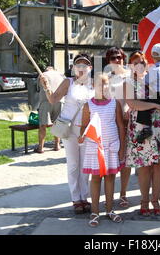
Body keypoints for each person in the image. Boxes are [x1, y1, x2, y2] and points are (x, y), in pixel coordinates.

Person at [124, 50, 160, 216]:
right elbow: (132, 103)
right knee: (144, 165)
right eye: (135, 62)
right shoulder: (128, 83)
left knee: (159, 164)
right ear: (130, 66)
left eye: (141, 61)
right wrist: (154, 105)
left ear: (147, 63)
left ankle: (155, 200)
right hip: (142, 126)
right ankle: (144, 201)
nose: (139, 65)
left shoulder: (158, 78)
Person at [41, 54, 94, 214]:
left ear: (90, 68)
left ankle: (84, 197)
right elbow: (53, 99)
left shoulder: (93, 85)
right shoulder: (68, 82)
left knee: (85, 166)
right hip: (69, 129)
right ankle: (76, 198)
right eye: (79, 65)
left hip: (86, 130)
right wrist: (46, 86)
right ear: (74, 68)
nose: (82, 68)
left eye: (85, 65)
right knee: (73, 165)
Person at [79, 73, 126, 227]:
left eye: (105, 84)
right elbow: (85, 126)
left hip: (111, 146)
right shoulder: (88, 105)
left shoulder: (114, 103)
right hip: (95, 147)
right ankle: (95, 211)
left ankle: (110, 209)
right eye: (99, 84)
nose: (103, 87)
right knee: (96, 178)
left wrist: (122, 147)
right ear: (93, 86)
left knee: (111, 178)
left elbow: (120, 125)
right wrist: (81, 136)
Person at [105, 47, 132, 208]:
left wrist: (129, 108)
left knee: (126, 160)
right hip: (110, 122)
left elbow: (137, 94)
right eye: (114, 58)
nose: (117, 60)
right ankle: (110, 194)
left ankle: (123, 194)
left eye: (120, 57)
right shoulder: (106, 77)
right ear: (108, 61)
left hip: (127, 120)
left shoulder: (130, 75)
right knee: (112, 159)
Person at [135, 43, 160, 143]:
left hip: (159, 95)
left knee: (143, 104)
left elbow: (144, 81)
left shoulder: (154, 69)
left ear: (152, 57)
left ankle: (146, 127)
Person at [35, 66, 64, 154]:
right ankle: (57, 145)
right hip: (59, 101)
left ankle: (41, 148)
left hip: (46, 101)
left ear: (47, 69)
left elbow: (38, 89)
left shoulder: (43, 75)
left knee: (43, 125)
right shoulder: (61, 75)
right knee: (57, 124)